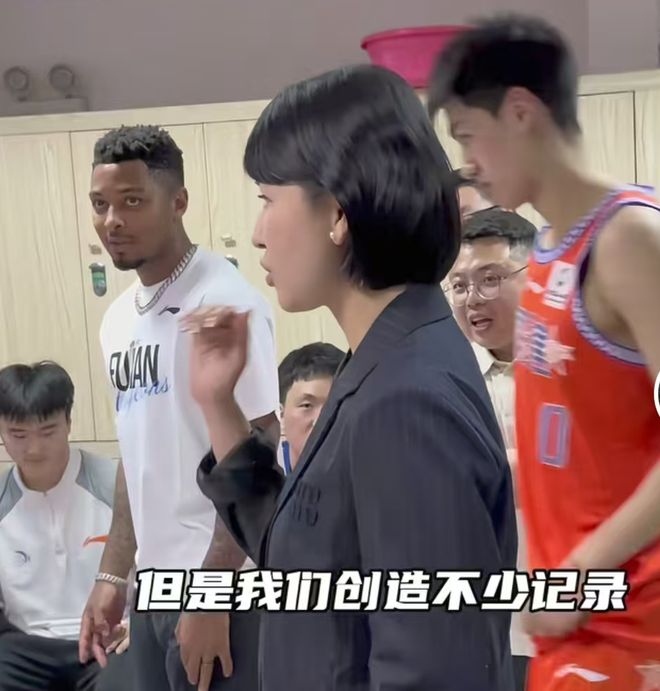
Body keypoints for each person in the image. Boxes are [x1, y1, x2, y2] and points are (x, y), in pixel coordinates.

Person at [182, 64, 517, 690]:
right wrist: (218, 404)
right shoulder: (383, 360)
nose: (256, 234)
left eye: (267, 200)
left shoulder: (407, 401)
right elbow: (301, 558)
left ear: (337, 213)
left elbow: (431, 671)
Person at [430, 14, 660, 691]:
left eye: (468, 135)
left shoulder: (630, 240)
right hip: (568, 627)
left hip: (634, 633)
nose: (468, 162)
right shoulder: (550, 249)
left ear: (521, 112)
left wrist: (580, 572)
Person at [79, 125, 279, 691]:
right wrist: (114, 573)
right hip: (154, 589)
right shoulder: (118, 320)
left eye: (132, 201)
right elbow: (135, 452)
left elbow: (259, 450)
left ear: (179, 202)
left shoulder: (224, 303)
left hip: (223, 587)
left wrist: (212, 593)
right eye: (100, 204)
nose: (112, 221)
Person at [446, 207, 537, 690]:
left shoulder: (581, 364)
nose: (472, 299)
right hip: (488, 627)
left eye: (489, 279)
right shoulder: (446, 378)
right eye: (459, 286)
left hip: (581, 614)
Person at [0, 361, 130, 691]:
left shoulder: (114, 485)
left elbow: (160, 559)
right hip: (24, 647)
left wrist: (138, 627)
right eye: (18, 434)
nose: (34, 449)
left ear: (69, 422)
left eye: (48, 432)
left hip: (109, 640)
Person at [278, 342, 345, 473]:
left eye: (335, 404)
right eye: (307, 405)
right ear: (281, 416)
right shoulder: (262, 475)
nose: (322, 420)